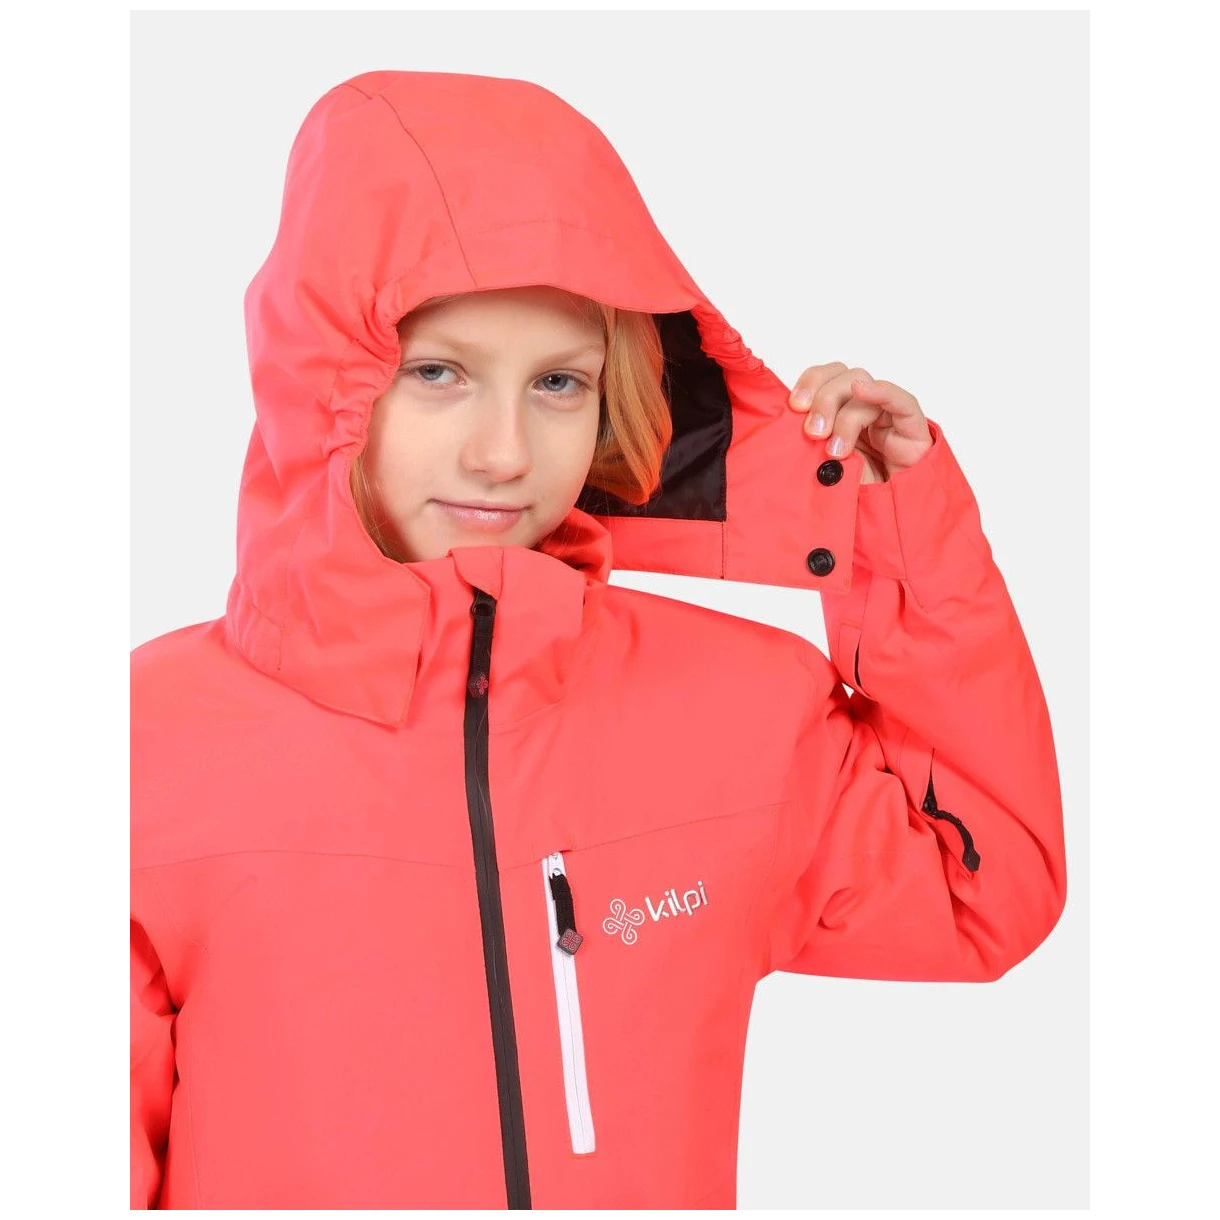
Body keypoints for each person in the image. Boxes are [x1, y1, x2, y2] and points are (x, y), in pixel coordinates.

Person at [130, 69, 1067, 1210]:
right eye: (437, 373)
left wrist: (888, 533)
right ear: (324, 376)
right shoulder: (144, 747)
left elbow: (983, 888)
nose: (503, 453)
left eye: (559, 383)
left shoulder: (739, 711)